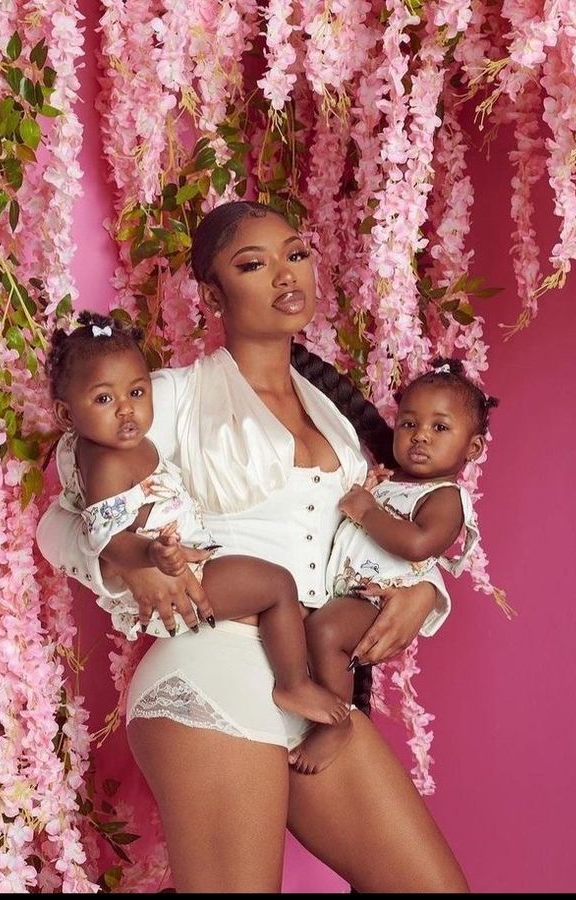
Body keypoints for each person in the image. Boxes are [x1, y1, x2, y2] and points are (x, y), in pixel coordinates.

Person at [36, 200, 470, 892]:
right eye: (252, 264)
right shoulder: (170, 397)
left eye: (295, 254)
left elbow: (378, 530)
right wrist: (126, 566)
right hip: (213, 672)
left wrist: (425, 590)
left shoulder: (339, 411)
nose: (283, 275)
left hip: (309, 682)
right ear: (213, 294)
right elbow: (57, 522)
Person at [44, 309, 350, 726]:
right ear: (66, 415)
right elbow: (109, 539)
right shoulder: (106, 462)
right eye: (103, 399)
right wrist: (151, 557)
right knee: (278, 585)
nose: (126, 410)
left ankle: (296, 681)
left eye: (137, 393)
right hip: (184, 583)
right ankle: (292, 685)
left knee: (280, 602)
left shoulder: (119, 448)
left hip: (191, 566)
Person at [293, 357, 497, 774]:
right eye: (409, 424)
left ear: (472, 447)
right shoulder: (389, 481)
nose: (420, 436)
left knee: (325, 630)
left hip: (377, 600)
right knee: (302, 629)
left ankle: (337, 721)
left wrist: (367, 511)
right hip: (346, 589)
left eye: (440, 428)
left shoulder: (445, 497)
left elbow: (420, 544)